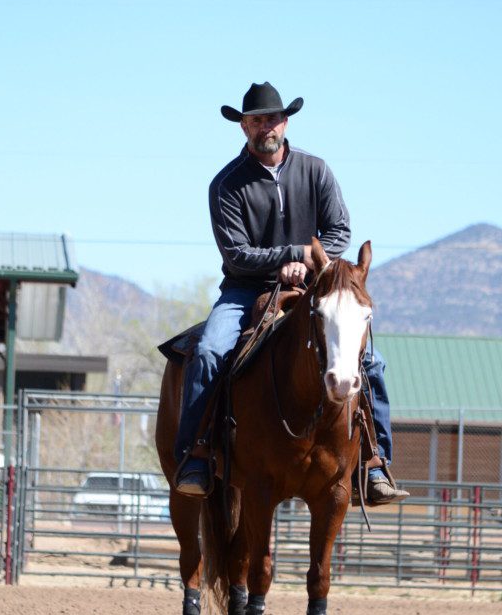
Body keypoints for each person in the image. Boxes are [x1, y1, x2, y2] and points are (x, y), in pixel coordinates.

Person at [174, 82, 408, 506]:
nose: (266, 127)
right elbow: (236, 253)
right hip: (246, 289)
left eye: (273, 118)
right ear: (243, 127)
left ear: (286, 122)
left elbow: (340, 231)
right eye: (257, 120)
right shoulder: (226, 184)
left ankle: (375, 463)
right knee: (209, 351)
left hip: (313, 288)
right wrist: (292, 253)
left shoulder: (316, 170)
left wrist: (312, 262)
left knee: (371, 361)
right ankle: (197, 455)